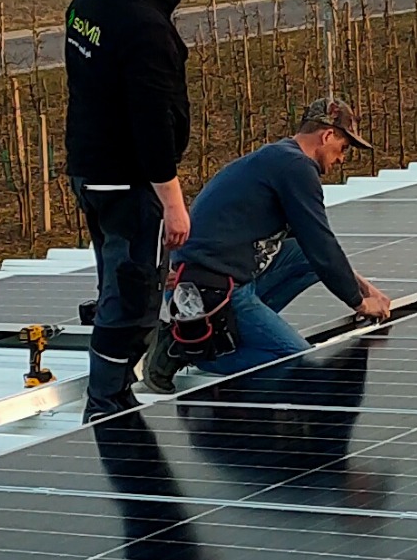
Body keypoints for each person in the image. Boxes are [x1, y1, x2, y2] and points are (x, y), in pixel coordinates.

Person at [139, 98, 393, 390]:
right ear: (326, 135)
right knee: (293, 360)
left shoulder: (279, 157)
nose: (341, 159)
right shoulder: (297, 168)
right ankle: (186, 347)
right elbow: (320, 242)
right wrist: (359, 302)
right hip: (211, 288)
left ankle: (222, 333)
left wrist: (363, 286)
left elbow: (310, 244)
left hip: (219, 276)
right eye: (343, 148)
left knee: (302, 255)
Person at [64, 0, 194, 421]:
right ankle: (108, 401)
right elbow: (152, 126)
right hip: (126, 177)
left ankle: (109, 388)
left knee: (112, 278)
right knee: (136, 293)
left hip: (88, 166)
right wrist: (174, 202)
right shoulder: (146, 28)